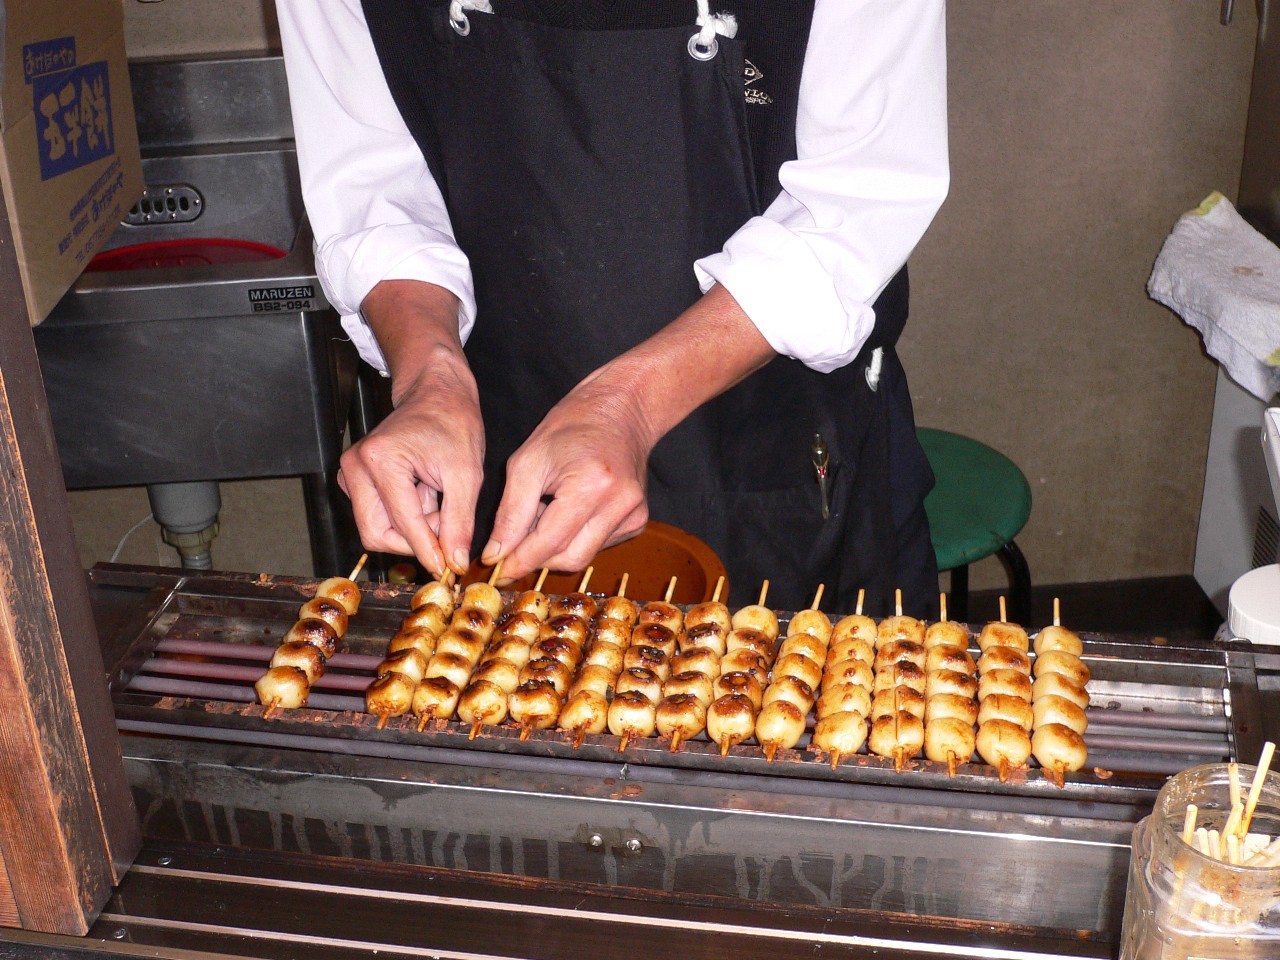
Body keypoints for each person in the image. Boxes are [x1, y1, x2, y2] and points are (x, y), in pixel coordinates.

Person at [276, 0, 949, 614]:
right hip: (504, 441)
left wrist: (627, 403)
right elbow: (375, 187)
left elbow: (857, 201)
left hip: (783, 449)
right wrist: (430, 378)